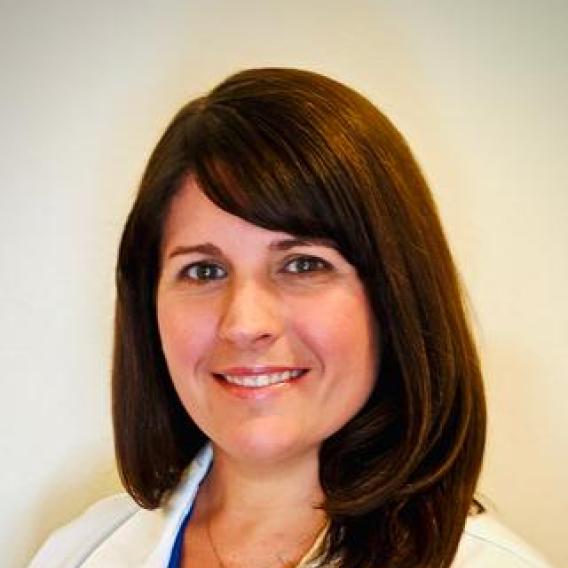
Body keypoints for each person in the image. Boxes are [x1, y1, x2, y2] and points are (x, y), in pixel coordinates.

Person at [29, 68, 552, 567]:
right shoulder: (78, 553)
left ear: (394, 296)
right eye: (205, 270)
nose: (244, 322)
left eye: (303, 264)